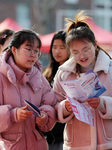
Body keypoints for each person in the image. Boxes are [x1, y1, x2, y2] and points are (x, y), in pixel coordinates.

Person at [53, 10, 112, 150]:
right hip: (75, 144)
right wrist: (65, 107)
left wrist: (103, 103)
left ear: (95, 45)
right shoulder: (63, 73)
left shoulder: (109, 69)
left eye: (86, 49)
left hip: (106, 143)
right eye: (75, 52)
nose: (82, 56)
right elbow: (52, 104)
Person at [0, 29, 56, 150]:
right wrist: (13, 115)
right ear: (14, 50)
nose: (33, 55)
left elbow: (50, 104)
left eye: (36, 51)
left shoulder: (39, 76)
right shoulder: (1, 75)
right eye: (28, 49)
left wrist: (45, 117)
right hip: (10, 146)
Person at [43, 30, 70, 150]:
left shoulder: (72, 73)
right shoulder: (47, 73)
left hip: (66, 132)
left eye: (62, 47)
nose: (57, 51)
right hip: (48, 131)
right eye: (54, 47)